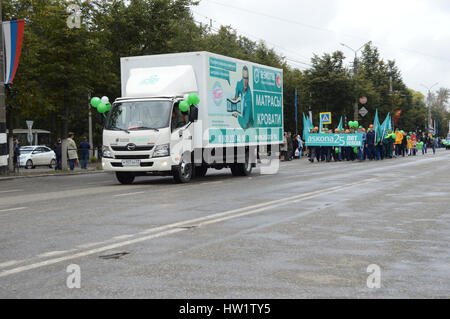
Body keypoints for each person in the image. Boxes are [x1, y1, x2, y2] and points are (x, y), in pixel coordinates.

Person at [232, 66, 253, 130]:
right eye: (244, 78)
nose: (245, 81)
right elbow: (236, 96)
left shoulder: (249, 96)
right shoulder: (239, 84)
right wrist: (234, 98)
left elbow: (245, 124)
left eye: (247, 78)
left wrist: (237, 116)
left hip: (249, 126)